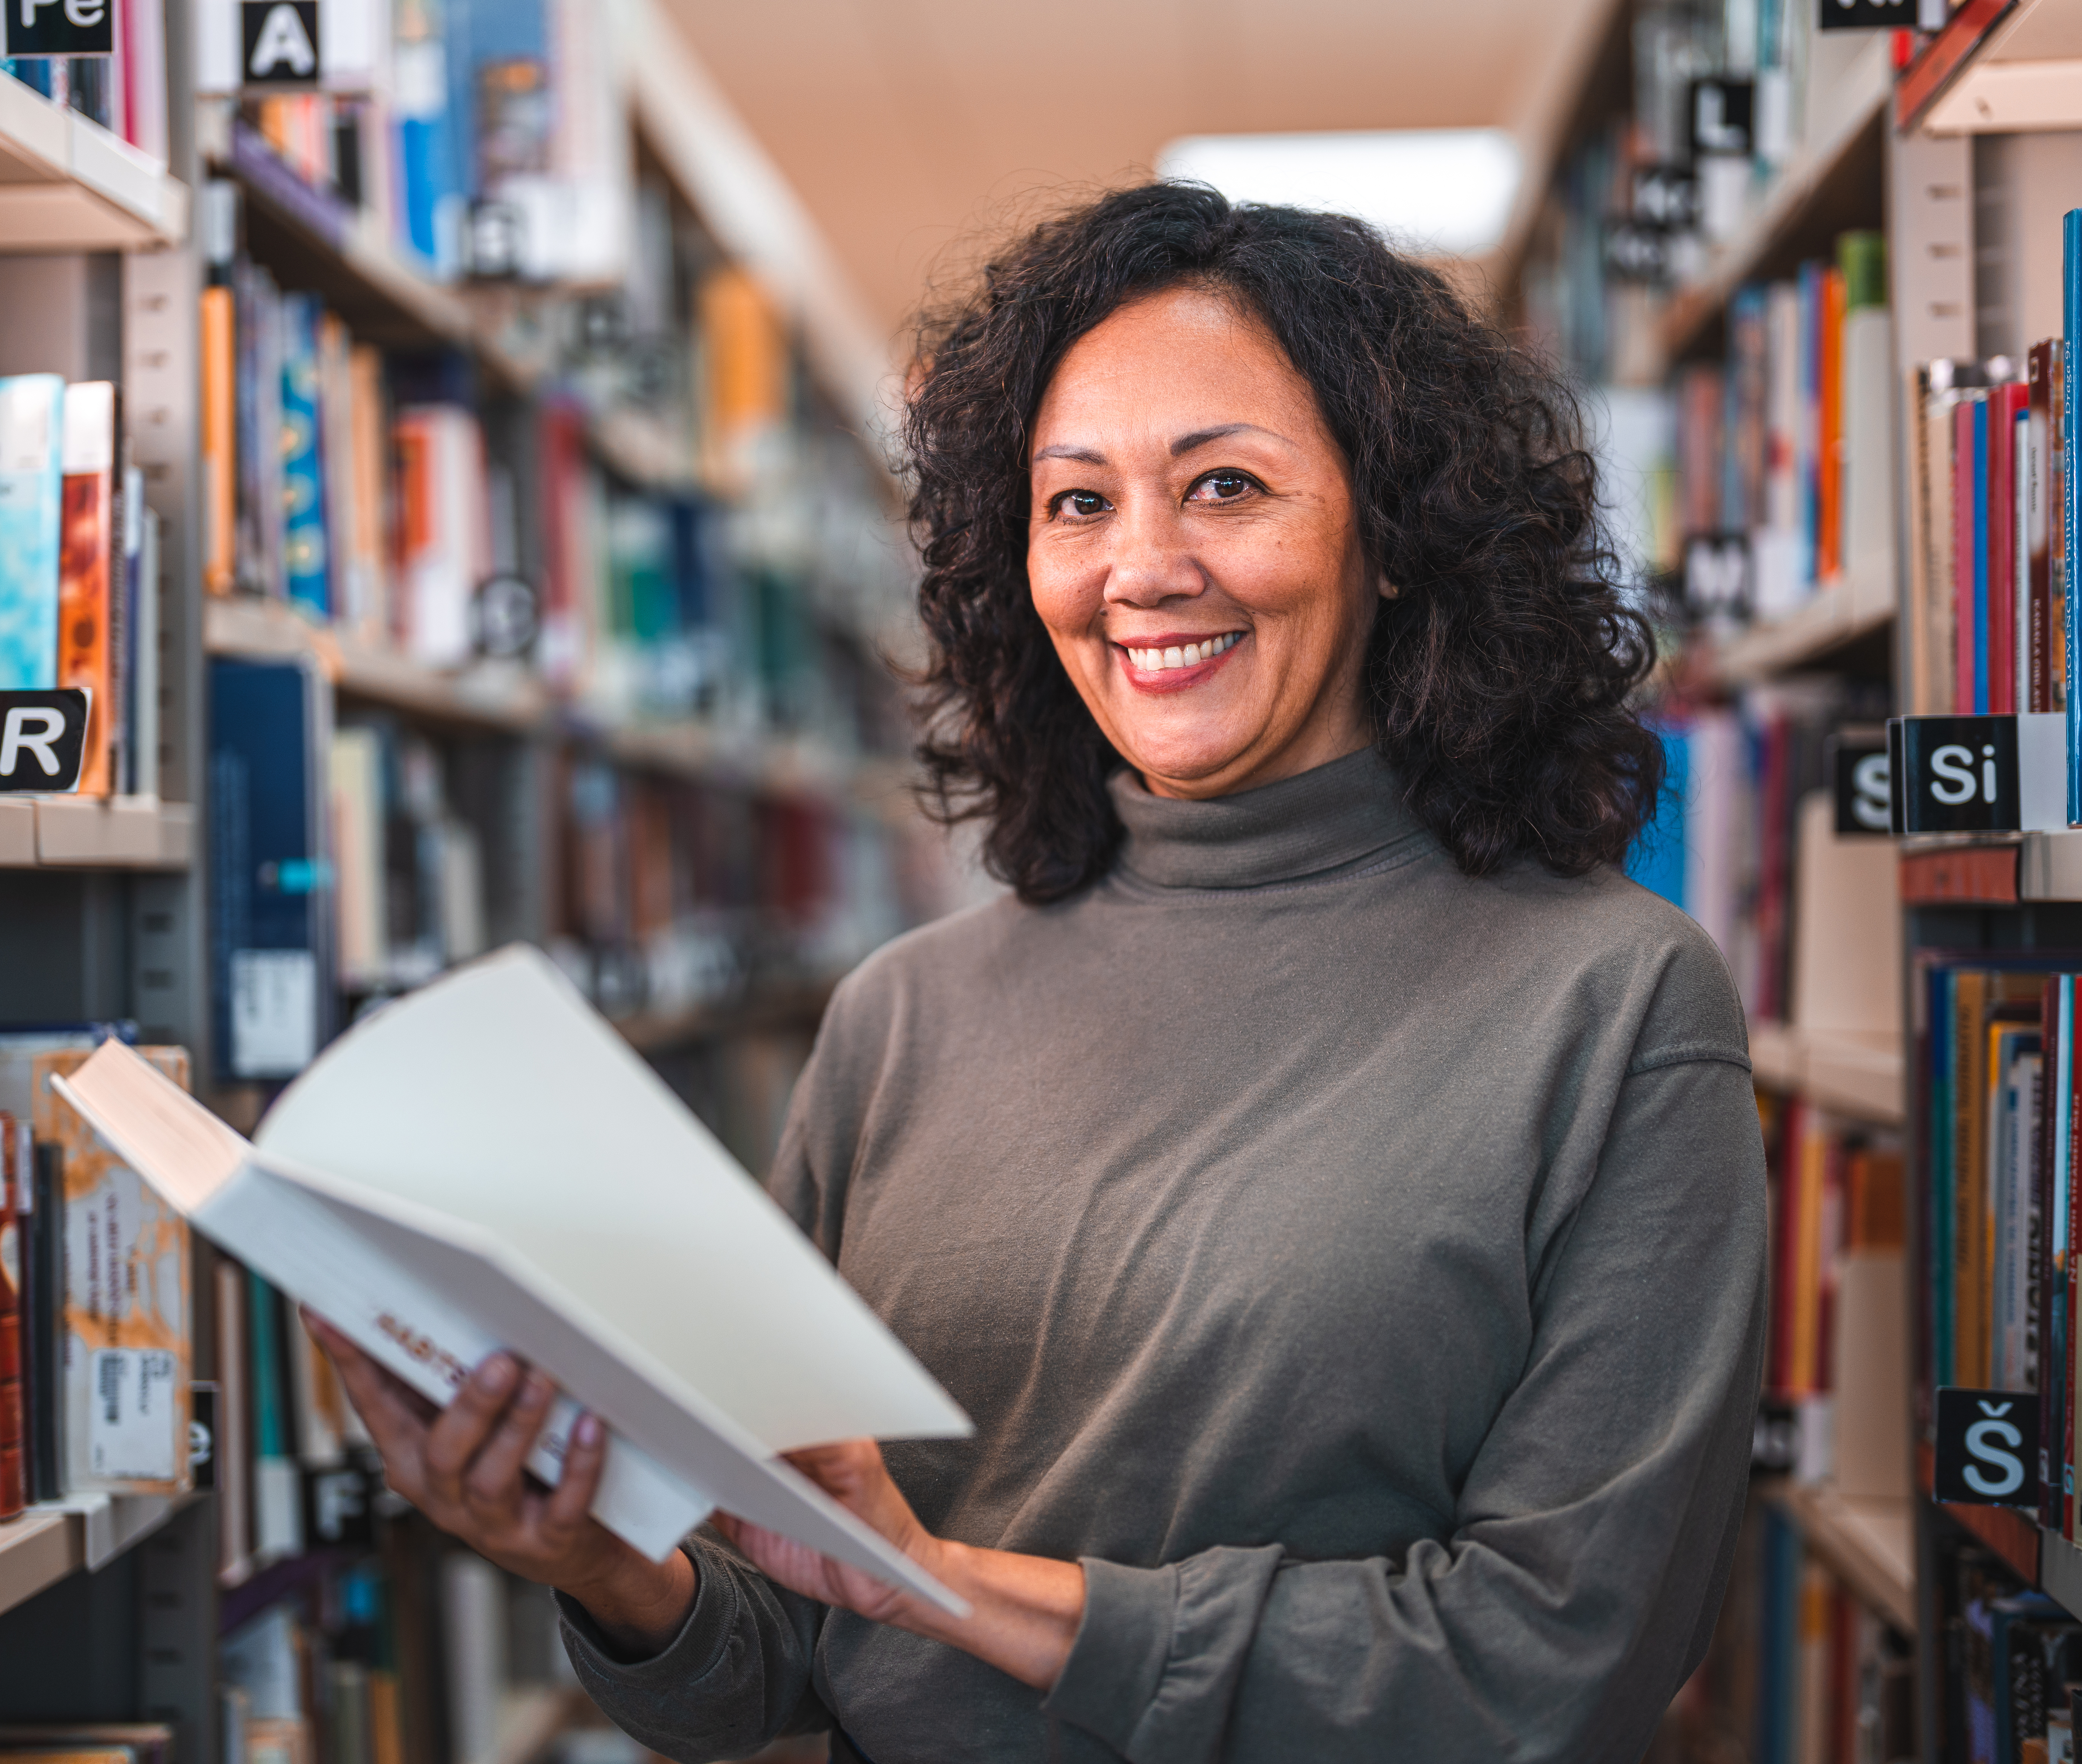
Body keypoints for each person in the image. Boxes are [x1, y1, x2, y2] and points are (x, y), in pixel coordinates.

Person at [312, 182, 1767, 1763]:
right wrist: (596, 1558)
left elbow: (1551, 1667)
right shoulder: (903, 1018)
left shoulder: (1615, 1005)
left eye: (1224, 486)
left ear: (1397, 534)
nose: (1141, 568)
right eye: (1079, 503)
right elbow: (788, 1640)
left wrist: (950, 1591)